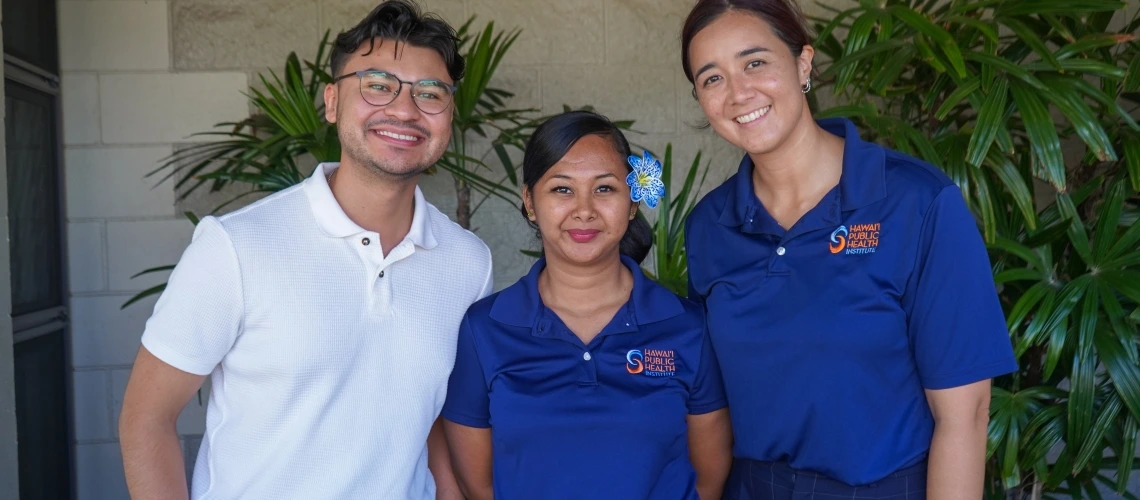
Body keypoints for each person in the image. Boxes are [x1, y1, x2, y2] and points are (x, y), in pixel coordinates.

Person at [117, 1, 490, 498]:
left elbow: (436, 423)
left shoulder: (468, 263)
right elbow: (146, 420)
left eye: (430, 93)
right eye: (378, 85)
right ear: (332, 102)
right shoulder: (236, 247)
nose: (404, 109)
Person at [678, 1, 1018, 498]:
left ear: (802, 63)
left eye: (755, 62)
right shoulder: (710, 225)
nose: (738, 93)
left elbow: (964, 417)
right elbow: (711, 402)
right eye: (712, 78)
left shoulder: (917, 203)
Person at [441, 110, 733, 499]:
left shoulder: (687, 325)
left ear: (632, 202)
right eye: (562, 189)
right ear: (529, 201)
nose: (584, 210)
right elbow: (479, 486)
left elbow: (708, 480)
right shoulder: (485, 329)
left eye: (604, 189)